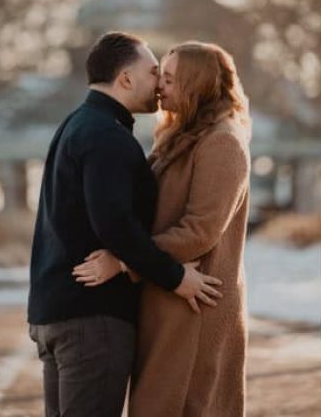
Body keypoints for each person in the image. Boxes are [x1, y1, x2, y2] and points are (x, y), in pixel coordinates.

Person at [27, 31, 222, 417]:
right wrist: (174, 277)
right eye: (154, 72)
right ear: (126, 79)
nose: (160, 85)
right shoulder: (107, 136)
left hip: (55, 312)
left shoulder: (76, 124)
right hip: (91, 319)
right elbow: (114, 224)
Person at [73, 41, 252, 416]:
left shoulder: (223, 142)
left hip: (193, 307)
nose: (159, 87)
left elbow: (200, 231)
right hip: (167, 298)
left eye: (168, 79)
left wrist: (124, 260)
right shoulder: (180, 138)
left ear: (195, 85)